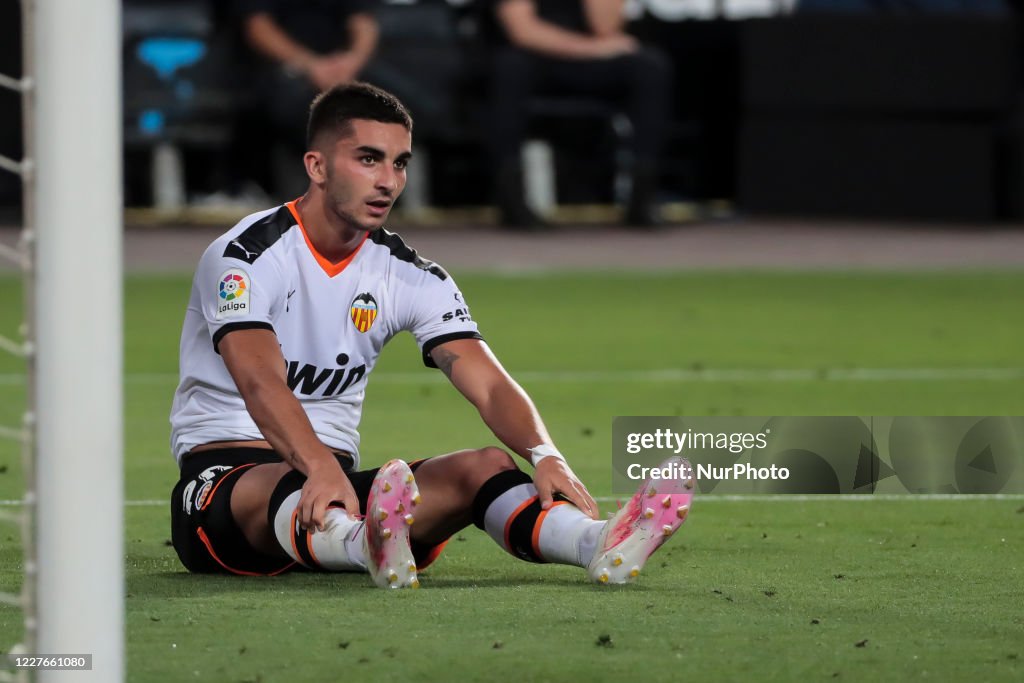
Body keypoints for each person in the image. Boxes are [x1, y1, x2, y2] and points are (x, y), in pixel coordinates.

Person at [169, 82, 693, 588]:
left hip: (338, 486)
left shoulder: (410, 274)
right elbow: (260, 380)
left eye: (400, 163)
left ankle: (596, 542)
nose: (389, 182)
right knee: (281, 483)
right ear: (318, 166)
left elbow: (486, 381)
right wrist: (318, 468)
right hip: (223, 486)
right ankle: (362, 542)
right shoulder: (245, 256)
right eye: (369, 159)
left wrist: (544, 453)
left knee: (485, 466)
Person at [484, 0, 673, 229]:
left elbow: (606, 28)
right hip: (533, 61)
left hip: (586, 62)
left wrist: (599, 48)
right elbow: (523, 31)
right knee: (510, 67)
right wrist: (593, 49)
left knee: (649, 65)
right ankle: (512, 202)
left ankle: (641, 198)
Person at [237, 0, 380, 199]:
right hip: (282, 69)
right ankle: (302, 196)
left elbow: (364, 23)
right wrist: (312, 66)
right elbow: (258, 28)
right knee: (297, 104)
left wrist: (351, 62)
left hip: (343, 69)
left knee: (384, 100)